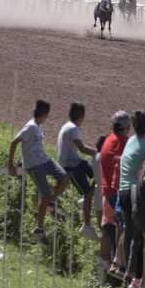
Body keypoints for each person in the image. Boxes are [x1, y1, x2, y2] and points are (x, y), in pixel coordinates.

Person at [8, 100, 68, 239]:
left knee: (64, 178)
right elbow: (14, 143)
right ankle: (39, 228)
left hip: (45, 160)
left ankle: (50, 202)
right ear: (44, 114)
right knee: (45, 195)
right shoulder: (30, 127)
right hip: (34, 165)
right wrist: (10, 164)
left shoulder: (38, 126)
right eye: (47, 115)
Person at [118, 111, 145, 283]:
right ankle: (135, 275)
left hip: (122, 191)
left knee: (130, 231)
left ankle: (125, 268)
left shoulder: (132, 140)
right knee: (140, 235)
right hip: (134, 193)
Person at [57, 102, 99, 241]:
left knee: (97, 174)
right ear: (81, 115)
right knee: (88, 191)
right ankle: (86, 225)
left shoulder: (67, 126)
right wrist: (99, 152)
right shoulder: (73, 128)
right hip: (71, 166)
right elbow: (82, 148)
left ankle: (86, 200)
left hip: (76, 162)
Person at [99, 111, 132, 276]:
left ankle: (112, 275)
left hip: (107, 193)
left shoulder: (108, 140)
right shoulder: (124, 143)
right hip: (117, 194)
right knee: (122, 238)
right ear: (127, 127)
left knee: (112, 236)